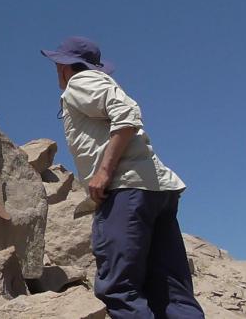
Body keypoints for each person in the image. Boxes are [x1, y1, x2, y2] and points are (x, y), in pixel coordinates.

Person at [41, 37, 205, 319]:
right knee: (171, 289)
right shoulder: (96, 82)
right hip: (155, 189)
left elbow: (127, 114)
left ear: (65, 66)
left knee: (119, 287)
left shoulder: (80, 83)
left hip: (125, 190)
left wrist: (104, 171)